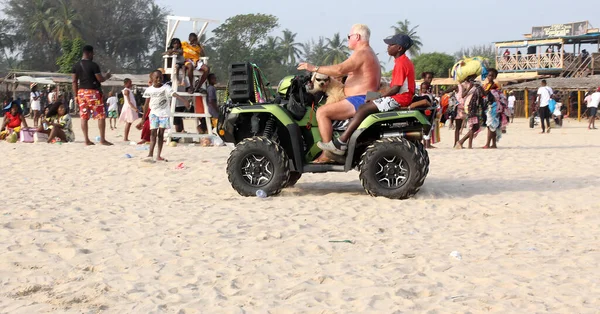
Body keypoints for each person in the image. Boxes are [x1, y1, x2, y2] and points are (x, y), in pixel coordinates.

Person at [319, 34, 415, 155]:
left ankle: (341, 142)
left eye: (391, 45)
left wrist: (380, 97)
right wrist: (376, 96)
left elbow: (395, 88)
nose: (388, 47)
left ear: (399, 48)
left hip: (400, 98)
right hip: (401, 97)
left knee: (363, 108)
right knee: (367, 98)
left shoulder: (401, 64)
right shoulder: (403, 61)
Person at [297, 24, 381, 162]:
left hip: (360, 98)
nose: (348, 39)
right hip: (366, 96)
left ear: (357, 37)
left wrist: (314, 68)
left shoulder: (362, 53)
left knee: (322, 112)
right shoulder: (368, 52)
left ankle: (327, 154)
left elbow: (340, 69)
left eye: (349, 36)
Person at [142, 70, 190, 162]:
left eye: (160, 77)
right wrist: (143, 118)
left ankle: (158, 155)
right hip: (153, 114)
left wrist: (184, 100)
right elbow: (146, 104)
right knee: (153, 134)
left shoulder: (166, 87)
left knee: (161, 134)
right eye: (156, 77)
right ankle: (150, 154)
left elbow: (174, 94)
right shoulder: (149, 90)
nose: (159, 79)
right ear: (152, 79)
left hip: (164, 114)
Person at [71, 45, 112, 145]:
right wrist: (107, 76)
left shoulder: (76, 65)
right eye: (92, 53)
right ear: (89, 53)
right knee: (101, 115)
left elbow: (74, 81)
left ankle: (86, 140)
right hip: (93, 93)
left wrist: (76, 95)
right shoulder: (94, 65)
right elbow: (100, 79)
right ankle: (102, 139)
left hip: (81, 93)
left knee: (84, 117)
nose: (93, 55)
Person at [454, 75, 484, 149]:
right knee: (474, 126)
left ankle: (463, 142)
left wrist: (480, 87)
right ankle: (463, 143)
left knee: (475, 126)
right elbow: (462, 96)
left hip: (476, 107)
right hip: (470, 107)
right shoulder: (463, 85)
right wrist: (470, 88)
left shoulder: (477, 84)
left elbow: (482, 95)